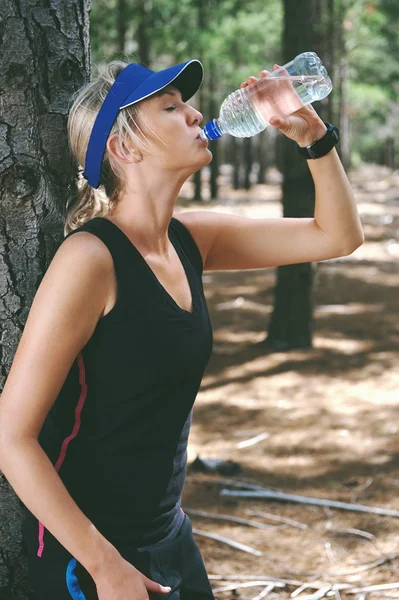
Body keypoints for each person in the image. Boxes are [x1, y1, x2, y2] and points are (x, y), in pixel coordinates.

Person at [0, 56, 364, 600]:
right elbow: (11, 437)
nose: (196, 115)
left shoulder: (191, 240)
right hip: (92, 555)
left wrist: (314, 137)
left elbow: (336, 237)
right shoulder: (90, 260)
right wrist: (105, 565)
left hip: (169, 536)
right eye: (171, 107)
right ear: (125, 147)